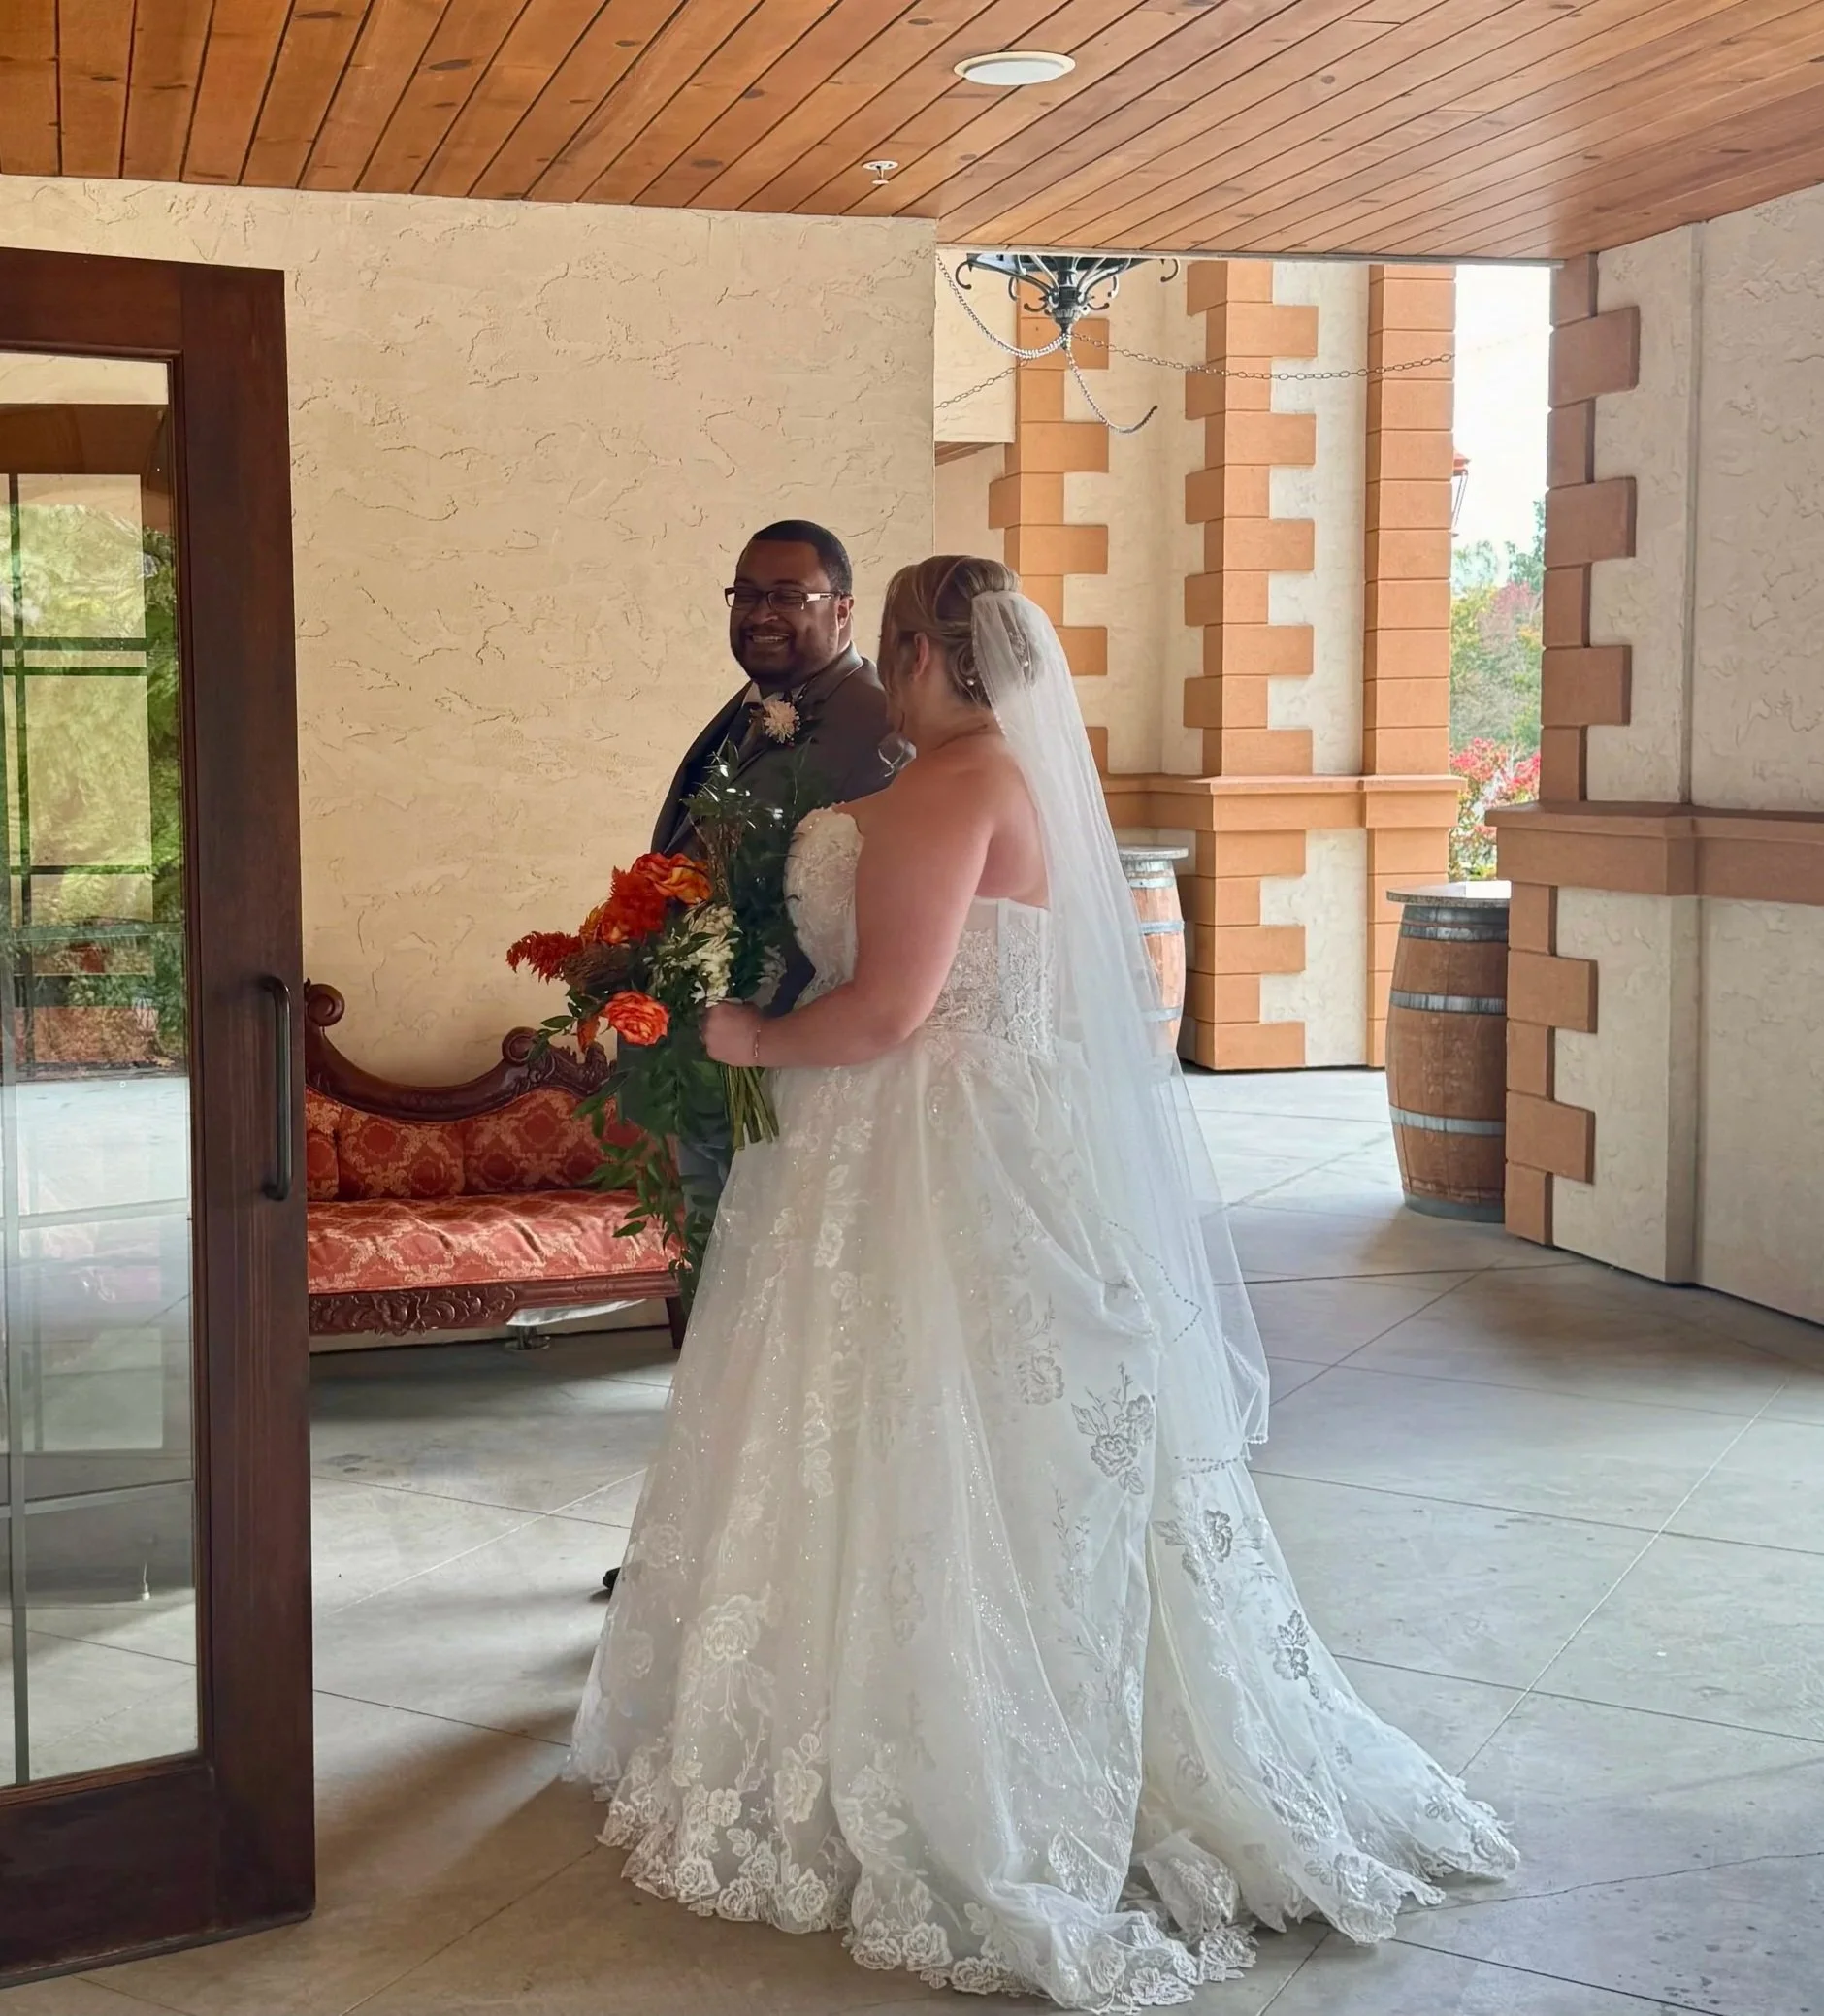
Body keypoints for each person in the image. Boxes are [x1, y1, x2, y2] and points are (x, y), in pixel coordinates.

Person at [569, 557, 1515, 2009]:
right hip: (984, 1135)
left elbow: (888, 1011)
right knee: (955, 1436)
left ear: (921, 653)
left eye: (894, 648)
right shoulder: (1003, 777)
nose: (887, 681)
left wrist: (745, 1037)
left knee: (902, 1423)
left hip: (914, 1152)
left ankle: (931, 1749)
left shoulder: (949, 789)